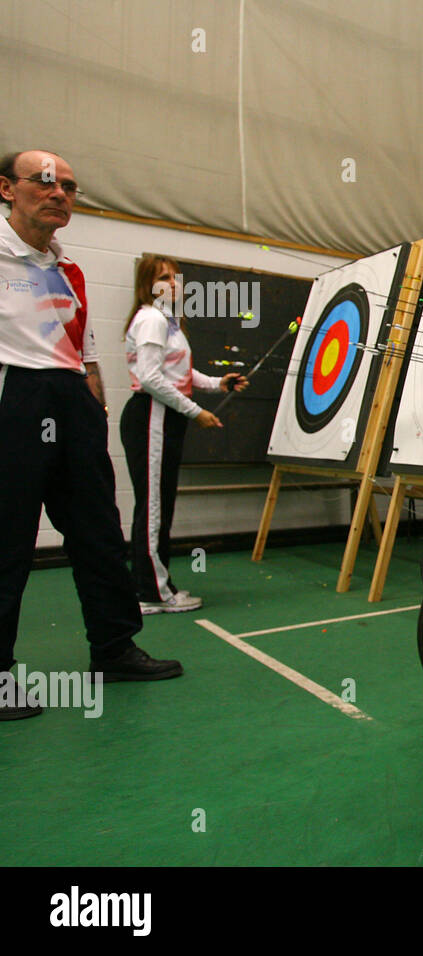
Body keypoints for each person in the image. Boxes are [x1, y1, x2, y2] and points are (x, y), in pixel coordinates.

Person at [0, 149, 183, 721]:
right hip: (15, 403)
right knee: (7, 541)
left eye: (71, 188)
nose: (60, 194)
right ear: (7, 189)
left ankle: (113, 648)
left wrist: (93, 396)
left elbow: (83, 345)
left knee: (99, 532)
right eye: (47, 183)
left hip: (72, 398)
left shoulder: (69, 267)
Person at [121, 255, 246, 613]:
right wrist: (197, 412)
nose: (174, 284)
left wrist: (218, 384)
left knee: (157, 504)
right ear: (148, 285)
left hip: (163, 417)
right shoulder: (151, 319)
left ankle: (148, 585)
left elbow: (180, 375)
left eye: (177, 277)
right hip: (152, 416)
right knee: (154, 508)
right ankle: (153, 592)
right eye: (164, 278)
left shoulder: (170, 322)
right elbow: (150, 378)